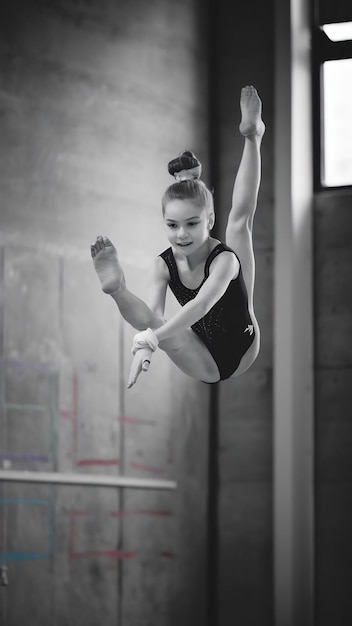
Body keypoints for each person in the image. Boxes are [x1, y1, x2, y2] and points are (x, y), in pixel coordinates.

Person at [91, 85, 265, 388]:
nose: (181, 234)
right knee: (159, 327)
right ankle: (117, 288)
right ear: (164, 223)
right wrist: (149, 341)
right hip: (206, 362)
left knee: (239, 223)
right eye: (172, 225)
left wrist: (151, 340)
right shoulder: (163, 266)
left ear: (209, 220)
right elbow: (153, 319)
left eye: (192, 224)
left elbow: (201, 306)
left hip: (244, 345)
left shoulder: (224, 261)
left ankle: (253, 136)